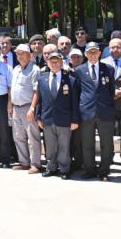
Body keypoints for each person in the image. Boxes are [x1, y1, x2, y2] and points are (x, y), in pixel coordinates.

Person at [35, 51, 80, 179]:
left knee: (64, 146)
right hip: (47, 118)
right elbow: (40, 100)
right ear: (47, 63)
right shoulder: (42, 79)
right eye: (52, 61)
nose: (54, 64)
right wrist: (38, 117)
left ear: (61, 62)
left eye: (57, 61)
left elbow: (74, 102)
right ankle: (51, 167)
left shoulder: (70, 80)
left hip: (65, 119)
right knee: (50, 146)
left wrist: (75, 120)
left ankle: (65, 169)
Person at [76, 42, 116, 180]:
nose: (92, 55)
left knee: (107, 144)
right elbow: (77, 92)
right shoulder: (79, 70)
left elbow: (111, 91)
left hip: (105, 112)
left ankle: (104, 171)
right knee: (87, 143)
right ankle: (90, 170)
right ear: (85, 54)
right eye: (90, 52)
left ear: (100, 53)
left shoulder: (109, 69)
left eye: (95, 52)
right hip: (86, 112)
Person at [9, 44, 40, 173]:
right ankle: (24, 162)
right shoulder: (15, 69)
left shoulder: (35, 69)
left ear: (29, 55)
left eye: (22, 53)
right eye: (18, 53)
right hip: (16, 107)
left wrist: (32, 108)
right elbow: (12, 88)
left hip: (28, 107)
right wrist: (10, 104)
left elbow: (36, 91)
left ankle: (35, 164)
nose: (20, 56)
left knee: (33, 137)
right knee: (18, 136)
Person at [101, 38, 121, 163]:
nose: (114, 49)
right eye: (112, 47)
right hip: (107, 103)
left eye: (117, 47)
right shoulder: (102, 62)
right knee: (107, 133)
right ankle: (108, 157)